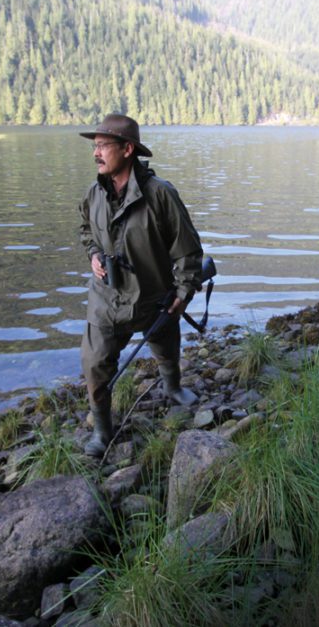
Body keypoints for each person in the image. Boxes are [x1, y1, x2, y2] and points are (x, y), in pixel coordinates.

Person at [78, 114, 204, 457]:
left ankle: (174, 388)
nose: (96, 153)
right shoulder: (94, 193)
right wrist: (92, 253)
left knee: (166, 343)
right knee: (95, 362)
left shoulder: (161, 195)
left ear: (128, 149)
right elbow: (86, 230)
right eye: (95, 146)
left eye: (103, 146)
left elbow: (188, 250)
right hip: (105, 299)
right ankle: (103, 431)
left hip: (153, 296)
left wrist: (182, 293)